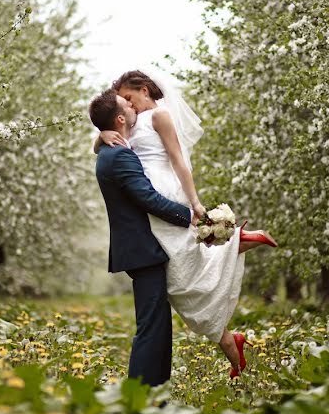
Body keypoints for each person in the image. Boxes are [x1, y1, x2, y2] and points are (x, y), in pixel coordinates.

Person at [95, 66, 277, 379]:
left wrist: (194, 203)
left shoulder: (159, 116)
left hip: (161, 193)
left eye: (129, 97)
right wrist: (100, 136)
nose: (128, 103)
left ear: (144, 90)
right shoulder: (128, 124)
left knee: (182, 261)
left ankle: (232, 241)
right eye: (123, 101)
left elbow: (179, 160)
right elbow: (113, 139)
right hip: (148, 195)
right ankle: (233, 250)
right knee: (179, 276)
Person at [88, 88, 195, 387]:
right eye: (127, 105)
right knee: (151, 326)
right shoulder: (120, 156)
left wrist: (101, 136)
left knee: (157, 324)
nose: (133, 106)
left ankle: (155, 390)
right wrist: (190, 217)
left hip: (139, 249)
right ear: (121, 118)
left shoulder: (111, 150)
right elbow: (148, 199)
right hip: (141, 249)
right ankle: (139, 393)